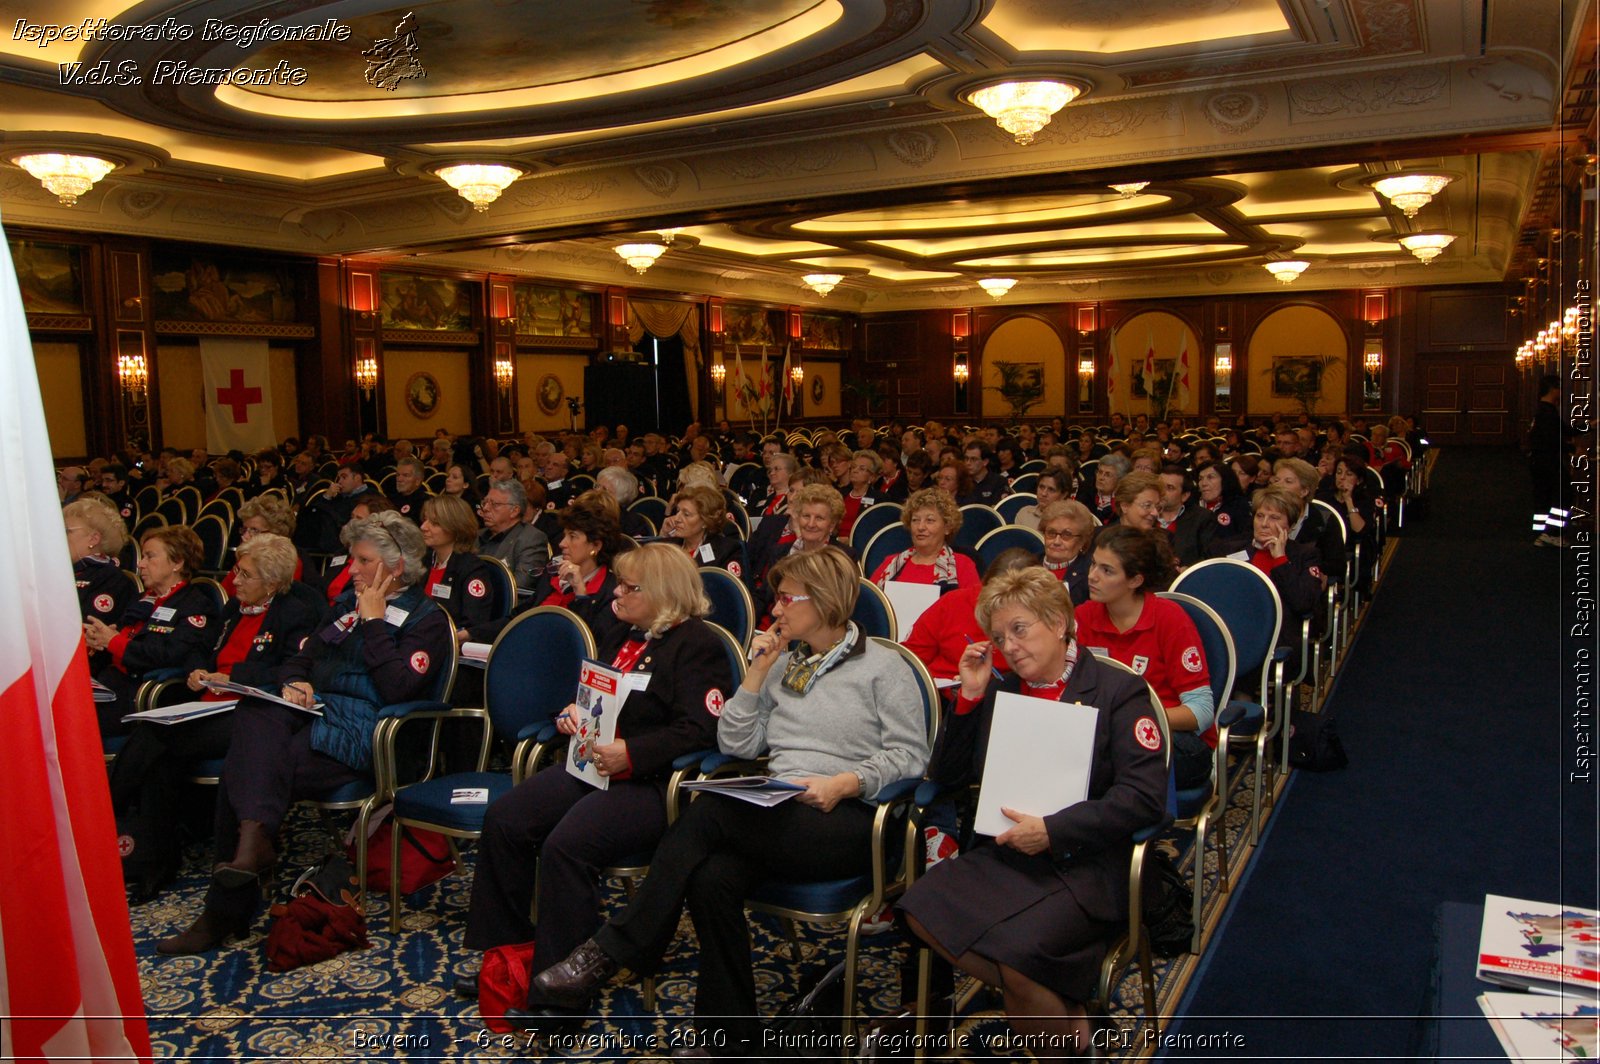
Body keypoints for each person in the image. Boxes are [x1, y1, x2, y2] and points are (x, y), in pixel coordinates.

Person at [532, 546, 929, 1049]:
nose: (776, 609)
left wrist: (845, 782)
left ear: (824, 601)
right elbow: (736, 745)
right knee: (710, 876)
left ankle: (613, 949)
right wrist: (757, 676)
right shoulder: (784, 662)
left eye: (786, 599)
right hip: (782, 813)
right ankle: (728, 1036)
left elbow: (911, 756)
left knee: (712, 809)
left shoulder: (883, 667)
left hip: (851, 819)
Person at [459, 543, 734, 1023]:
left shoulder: (698, 645)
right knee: (505, 818)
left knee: (568, 845)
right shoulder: (621, 631)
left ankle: (557, 993)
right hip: (590, 766)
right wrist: (571, 711)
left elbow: (700, 730)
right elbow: (594, 689)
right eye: (619, 584)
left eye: (631, 588)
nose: (617, 594)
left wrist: (633, 752)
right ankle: (505, 960)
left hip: (650, 783)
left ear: (666, 594)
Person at [897, 567, 1166, 1053]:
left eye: (1020, 629)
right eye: (1000, 637)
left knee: (1020, 957)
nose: (1010, 646)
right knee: (918, 909)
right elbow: (947, 779)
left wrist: (1054, 831)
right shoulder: (1001, 690)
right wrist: (970, 697)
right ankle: (1067, 1012)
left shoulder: (1117, 690)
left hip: (1084, 863)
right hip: (1006, 855)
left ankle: (1054, 1025)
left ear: (1059, 623)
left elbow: (1144, 797)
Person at [158, 512, 452, 955]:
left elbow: (398, 689)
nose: (350, 570)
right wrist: (298, 680)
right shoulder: (342, 608)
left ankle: (227, 903)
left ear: (395, 568)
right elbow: (299, 657)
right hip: (313, 715)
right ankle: (250, 852)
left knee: (247, 765)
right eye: (352, 559)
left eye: (363, 561)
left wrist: (373, 624)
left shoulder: (425, 619)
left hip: (366, 734)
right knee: (257, 715)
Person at [108, 534, 321, 900]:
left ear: (271, 582)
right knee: (159, 756)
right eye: (237, 572)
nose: (234, 581)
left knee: (155, 737)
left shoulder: (295, 613)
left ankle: (104, 816)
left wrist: (235, 677)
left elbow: (292, 670)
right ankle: (153, 863)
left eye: (245, 575)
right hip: (207, 703)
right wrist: (197, 671)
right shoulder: (235, 608)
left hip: (249, 713)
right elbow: (202, 650)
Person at [1075, 526, 1214, 789]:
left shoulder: (1170, 619)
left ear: (1135, 581)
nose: (1092, 576)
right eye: (1093, 564)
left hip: (1173, 737)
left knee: (1101, 765)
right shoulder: (1083, 617)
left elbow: (1202, 712)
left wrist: (1128, 720)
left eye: (1107, 570)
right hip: (1106, 735)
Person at [83, 525, 221, 739]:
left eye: (150, 557)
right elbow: (120, 636)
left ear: (177, 563)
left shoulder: (195, 606)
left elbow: (169, 655)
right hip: (109, 682)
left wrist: (114, 642)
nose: (140, 564)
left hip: (139, 692)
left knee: (73, 726)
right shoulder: (143, 599)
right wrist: (98, 639)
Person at [902, 548, 1036, 682]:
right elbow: (911, 660)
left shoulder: (1040, 624)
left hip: (1000, 692)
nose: (996, 606)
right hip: (941, 692)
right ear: (984, 585)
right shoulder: (952, 602)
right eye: (991, 596)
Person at [744, 482, 848, 626]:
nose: (810, 524)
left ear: (832, 525)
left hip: (815, 629)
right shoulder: (780, 552)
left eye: (819, 518)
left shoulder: (842, 557)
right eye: (806, 516)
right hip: (773, 624)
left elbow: (835, 609)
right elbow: (763, 596)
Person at [869, 487, 980, 593]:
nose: (921, 527)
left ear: (947, 527)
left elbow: (972, 609)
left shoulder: (963, 566)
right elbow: (873, 604)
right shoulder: (890, 563)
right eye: (915, 520)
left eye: (930, 520)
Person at [419, 494, 499, 629]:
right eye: (425, 520)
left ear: (455, 527)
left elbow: (472, 623)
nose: (423, 527)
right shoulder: (424, 560)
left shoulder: (471, 569)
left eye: (434, 523)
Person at [1270, 458, 1345, 588]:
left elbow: (1336, 565)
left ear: (1304, 491)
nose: (1278, 485)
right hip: (1268, 577)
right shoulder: (1262, 514)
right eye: (1277, 480)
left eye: (1288, 481)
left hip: (1304, 583)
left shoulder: (1325, 521)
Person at [1529, 373, 1584, 546]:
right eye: (1559, 388)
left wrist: (1590, 425)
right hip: (1547, 461)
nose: (1561, 392)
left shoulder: (1544, 410)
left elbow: (1565, 431)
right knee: (1564, 495)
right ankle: (1552, 533)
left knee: (1544, 496)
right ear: (1553, 390)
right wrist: (1572, 448)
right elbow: (1552, 438)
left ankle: (1541, 533)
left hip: (1540, 461)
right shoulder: (1547, 412)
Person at [66, 496, 136, 628]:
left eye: (66, 531)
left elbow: (89, 627)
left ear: (93, 539)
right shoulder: (63, 572)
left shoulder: (111, 580)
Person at [477, 479, 552, 595]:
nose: (486, 508)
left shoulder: (531, 539)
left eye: (494, 504)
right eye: (485, 502)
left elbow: (519, 587)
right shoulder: (477, 535)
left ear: (514, 511)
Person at [661, 483, 742, 576]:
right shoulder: (669, 545)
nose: (677, 519)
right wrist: (663, 535)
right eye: (678, 511)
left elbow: (728, 589)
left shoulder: (726, 551)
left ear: (705, 521)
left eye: (686, 514)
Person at [1156, 464, 1218, 568]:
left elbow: (1208, 556)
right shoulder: (1144, 515)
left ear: (1185, 496)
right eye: (1159, 486)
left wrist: (1189, 570)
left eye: (1169, 488)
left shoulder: (1202, 518)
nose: (1161, 492)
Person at [1038, 499, 1095, 604]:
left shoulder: (1091, 574)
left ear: (1082, 541)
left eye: (1066, 535)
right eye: (1051, 533)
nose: (1056, 541)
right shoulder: (1028, 565)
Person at [1195, 459, 1250, 534]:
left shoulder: (1239, 506)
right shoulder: (1191, 504)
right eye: (1200, 479)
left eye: (1210, 477)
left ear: (1225, 481)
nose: (1204, 483)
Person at [839, 449, 882, 539]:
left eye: (862, 468)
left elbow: (875, 531)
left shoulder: (879, 499)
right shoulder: (839, 493)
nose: (855, 471)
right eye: (853, 467)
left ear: (872, 477)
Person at [1077, 453, 1126, 524]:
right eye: (1100, 472)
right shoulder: (1086, 490)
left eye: (1107, 474)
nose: (1101, 478)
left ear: (1119, 479)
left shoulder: (1124, 499)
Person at [390, 458, 431, 523]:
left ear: (418, 480)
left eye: (405, 475)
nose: (399, 479)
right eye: (397, 475)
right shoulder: (391, 499)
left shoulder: (426, 504)